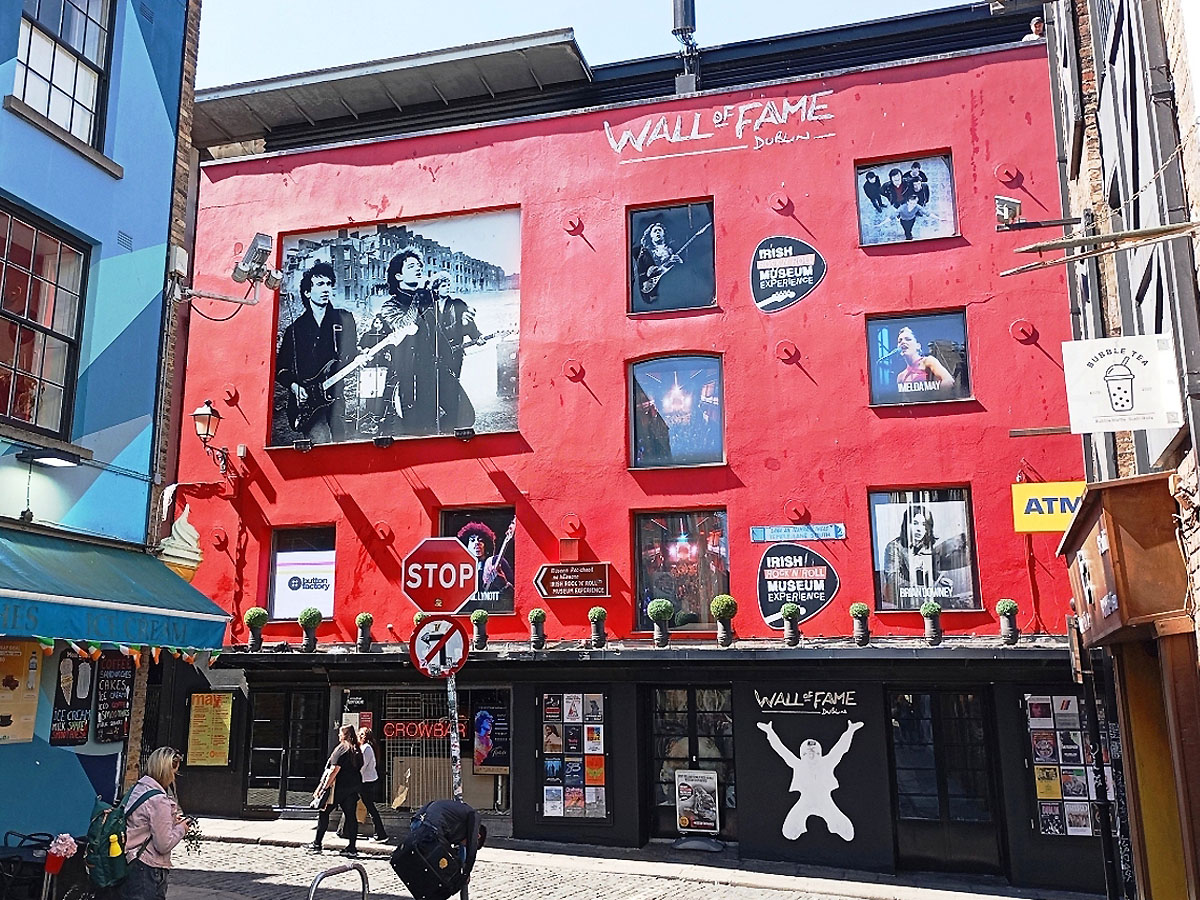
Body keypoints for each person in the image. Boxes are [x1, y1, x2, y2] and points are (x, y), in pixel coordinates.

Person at [275, 261, 357, 443]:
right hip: (308, 403)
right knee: (321, 443)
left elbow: (351, 354)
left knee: (339, 447)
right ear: (307, 292)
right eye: (320, 284)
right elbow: (281, 369)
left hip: (336, 398)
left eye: (329, 284)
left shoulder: (344, 320)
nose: (326, 289)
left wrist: (361, 357)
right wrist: (295, 387)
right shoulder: (294, 330)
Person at [757, 720, 862, 841]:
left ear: (819, 752)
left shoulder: (827, 762)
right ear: (802, 754)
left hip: (825, 800)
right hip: (805, 801)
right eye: (807, 752)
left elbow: (840, 749)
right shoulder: (798, 764)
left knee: (846, 831)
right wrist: (769, 732)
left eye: (814, 752)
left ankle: (838, 828)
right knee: (789, 831)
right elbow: (781, 750)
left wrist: (850, 731)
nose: (811, 755)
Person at [120, 747, 189, 900]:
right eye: (174, 772)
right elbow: (163, 844)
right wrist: (181, 829)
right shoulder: (159, 800)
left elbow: (141, 823)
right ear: (166, 771)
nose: (174, 777)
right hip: (148, 867)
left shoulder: (139, 788)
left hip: (131, 861)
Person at [380, 248, 436, 435]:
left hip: (434, 370)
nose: (419, 269)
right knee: (415, 429)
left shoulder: (428, 298)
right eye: (411, 266)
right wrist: (419, 297)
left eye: (419, 265)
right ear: (398, 275)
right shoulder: (390, 306)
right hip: (407, 376)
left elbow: (438, 332)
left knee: (465, 415)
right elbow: (404, 326)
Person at [880, 505, 971, 609]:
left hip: (928, 600)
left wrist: (939, 579)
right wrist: (920, 590)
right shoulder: (894, 547)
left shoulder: (927, 546)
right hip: (905, 603)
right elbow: (893, 578)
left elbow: (927, 570)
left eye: (924, 524)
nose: (919, 529)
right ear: (906, 525)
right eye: (915, 523)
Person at [430, 271, 483, 432]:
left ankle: (451, 420)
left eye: (448, 285)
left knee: (452, 385)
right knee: (435, 386)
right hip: (434, 354)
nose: (447, 288)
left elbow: (468, 324)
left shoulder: (458, 304)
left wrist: (477, 336)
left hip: (454, 354)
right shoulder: (429, 307)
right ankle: (439, 419)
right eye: (443, 286)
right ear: (436, 289)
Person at [409, 798, 486, 892]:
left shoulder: (460, 822)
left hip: (419, 821)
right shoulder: (474, 819)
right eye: (468, 843)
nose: (465, 845)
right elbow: (471, 851)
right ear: (477, 836)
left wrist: (463, 870)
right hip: (429, 826)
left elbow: (463, 853)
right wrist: (465, 873)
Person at [308, 725, 363, 857]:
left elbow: (333, 770)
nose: (338, 736)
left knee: (324, 813)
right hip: (352, 788)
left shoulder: (341, 748)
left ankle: (317, 844)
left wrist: (324, 788)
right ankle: (352, 847)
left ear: (344, 735)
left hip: (338, 788)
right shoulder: (356, 750)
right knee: (351, 817)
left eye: (340, 734)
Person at [457, 521, 515, 602]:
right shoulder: (460, 568)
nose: (477, 543)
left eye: (480, 540)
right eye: (472, 540)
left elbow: (516, 595)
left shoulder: (495, 561)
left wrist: (504, 585)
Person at [357, 314, 394, 432]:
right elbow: (359, 347)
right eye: (376, 323)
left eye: (380, 323)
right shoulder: (367, 335)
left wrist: (390, 355)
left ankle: (379, 417)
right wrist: (364, 351)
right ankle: (368, 416)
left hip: (383, 368)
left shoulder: (387, 336)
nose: (377, 325)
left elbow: (394, 350)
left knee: (381, 393)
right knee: (370, 392)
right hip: (370, 369)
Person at [895, 326, 955, 394]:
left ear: (918, 346)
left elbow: (948, 380)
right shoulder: (900, 377)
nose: (903, 342)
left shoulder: (928, 361)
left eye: (908, 339)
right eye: (900, 341)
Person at [634, 222, 683, 303]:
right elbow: (645, 272)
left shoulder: (672, 250)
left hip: (672, 285)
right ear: (650, 235)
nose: (657, 232)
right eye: (655, 231)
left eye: (660, 230)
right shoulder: (646, 253)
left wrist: (680, 262)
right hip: (655, 290)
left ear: (664, 233)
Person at [357, 727, 389, 842]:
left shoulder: (366, 748)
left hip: (365, 781)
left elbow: (362, 765)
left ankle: (381, 834)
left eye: (360, 734)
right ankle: (344, 830)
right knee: (355, 803)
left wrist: (354, 776)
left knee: (369, 806)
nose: (358, 736)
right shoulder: (369, 747)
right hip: (367, 780)